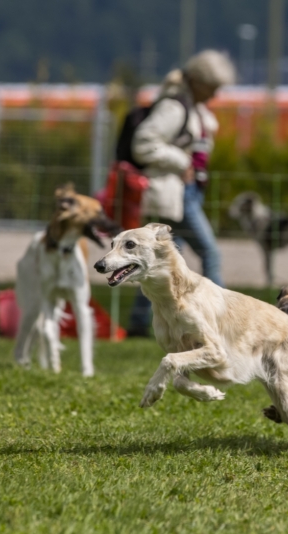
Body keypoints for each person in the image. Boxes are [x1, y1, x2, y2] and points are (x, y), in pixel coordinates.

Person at [126, 50, 235, 337]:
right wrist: (181, 161)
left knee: (166, 259)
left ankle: (139, 321)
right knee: (210, 252)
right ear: (197, 82)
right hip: (179, 194)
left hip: (187, 193)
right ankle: (224, 320)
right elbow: (144, 143)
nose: (215, 95)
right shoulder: (174, 107)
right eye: (212, 88)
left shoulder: (191, 106)